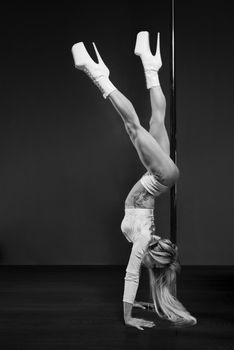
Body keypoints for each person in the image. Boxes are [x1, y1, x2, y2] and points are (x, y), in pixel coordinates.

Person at [71, 31, 197, 330]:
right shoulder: (142, 241)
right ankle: (98, 73)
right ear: (151, 258)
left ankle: (150, 63)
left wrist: (150, 301)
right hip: (160, 177)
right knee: (132, 126)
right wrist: (128, 316)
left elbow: (149, 274)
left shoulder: (151, 241)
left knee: (156, 121)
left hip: (161, 178)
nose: (147, 267)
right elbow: (131, 275)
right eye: (152, 267)